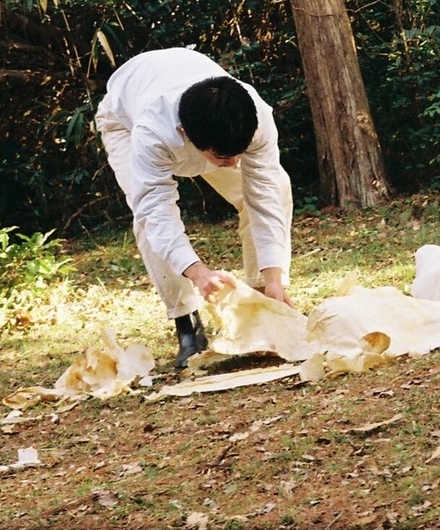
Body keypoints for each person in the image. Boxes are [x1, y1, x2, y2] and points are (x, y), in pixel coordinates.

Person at [95, 47, 294, 369]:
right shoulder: (153, 133)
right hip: (125, 120)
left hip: (191, 111)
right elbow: (156, 210)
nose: (234, 165)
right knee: (147, 221)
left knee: (277, 187)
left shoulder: (254, 115)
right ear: (185, 135)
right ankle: (186, 323)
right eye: (224, 159)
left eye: (240, 154)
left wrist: (274, 277)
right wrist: (199, 273)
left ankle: (261, 304)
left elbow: (265, 195)